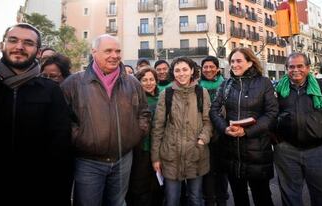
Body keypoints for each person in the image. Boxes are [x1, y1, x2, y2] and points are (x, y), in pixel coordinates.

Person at [61, 34, 151, 206]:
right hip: (88, 163)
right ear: (94, 52)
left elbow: (144, 112)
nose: (115, 55)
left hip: (123, 160)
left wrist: (137, 132)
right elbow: (62, 120)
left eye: (118, 51)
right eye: (108, 51)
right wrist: (80, 138)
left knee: (117, 203)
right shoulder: (73, 83)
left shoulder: (133, 83)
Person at [0, 23, 73, 205]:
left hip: (39, 191)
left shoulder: (51, 91)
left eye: (28, 42)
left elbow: (61, 148)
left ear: (38, 51)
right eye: (13, 40)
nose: (19, 47)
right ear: (2, 45)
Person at [274, 52, 322, 206]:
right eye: (291, 66)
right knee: (290, 196)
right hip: (286, 150)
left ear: (308, 68)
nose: (295, 70)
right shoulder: (277, 90)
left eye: (300, 66)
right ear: (286, 68)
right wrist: (276, 139)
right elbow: (269, 115)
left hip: (319, 150)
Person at [209, 47, 278, 206]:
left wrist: (247, 132)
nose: (234, 64)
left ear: (250, 62)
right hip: (232, 152)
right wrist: (224, 128)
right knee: (239, 198)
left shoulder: (264, 83)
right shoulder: (226, 84)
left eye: (239, 61)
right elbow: (214, 110)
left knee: (263, 198)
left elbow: (272, 113)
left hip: (258, 152)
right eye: (232, 61)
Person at [151, 56, 212, 206]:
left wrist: (202, 140)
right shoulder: (166, 94)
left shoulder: (201, 92)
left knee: (195, 198)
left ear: (192, 70)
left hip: (196, 154)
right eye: (177, 70)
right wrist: (155, 157)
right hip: (171, 156)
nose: (181, 73)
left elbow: (208, 122)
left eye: (185, 69)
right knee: (172, 200)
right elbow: (158, 127)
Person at [126, 66, 164, 206]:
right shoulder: (133, 100)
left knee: (158, 186)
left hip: (160, 149)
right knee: (140, 187)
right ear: (138, 82)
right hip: (141, 149)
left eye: (151, 79)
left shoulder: (163, 97)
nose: (149, 83)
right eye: (144, 80)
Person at [199, 56, 228, 206]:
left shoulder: (226, 84)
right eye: (205, 67)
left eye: (212, 67)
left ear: (217, 68)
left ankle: (222, 199)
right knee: (207, 171)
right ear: (201, 69)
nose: (208, 70)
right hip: (204, 135)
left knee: (222, 171)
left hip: (223, 134)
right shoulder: (197, 86)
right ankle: (209, 200)